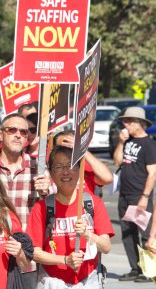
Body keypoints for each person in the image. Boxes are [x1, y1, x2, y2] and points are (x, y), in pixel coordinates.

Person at [27, 146, 114, 288]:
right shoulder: (41, 208)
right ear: (51, 172)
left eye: (70, 166)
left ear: (80, 170)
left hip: (89, 280)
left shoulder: (92, 203)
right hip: (53, 282)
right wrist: (65, 260)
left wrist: (87, 234)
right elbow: (34, 252)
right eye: (59, 167)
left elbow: (106, 247)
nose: (66, 172)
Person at [0, 113, 50, 287]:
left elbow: (55, 207)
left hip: (26, 257)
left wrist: (46, 192)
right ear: (1, 134)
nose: (18, 135)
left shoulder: (38, 168)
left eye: (23, 132)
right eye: (12, 130)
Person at [113, 106, 156, 282]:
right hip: (124, 194)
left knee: (145, 234)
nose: (125, 124)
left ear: (140, 124)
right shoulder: (128, 140)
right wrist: (121, 142)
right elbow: (116, 162)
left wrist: (144, 197)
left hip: (139, 196)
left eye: (129, 121)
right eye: (125, 121)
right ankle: (135, 268)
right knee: (127, 233)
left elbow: (153, 173)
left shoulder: (149, 144)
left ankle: (149, 271)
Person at [53, 130, 113, 196]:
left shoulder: (84, 166)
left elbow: (108, 178)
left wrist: (83, 150)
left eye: (71, 147)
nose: (68, 151)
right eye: (63, 148)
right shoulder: (49, 170)